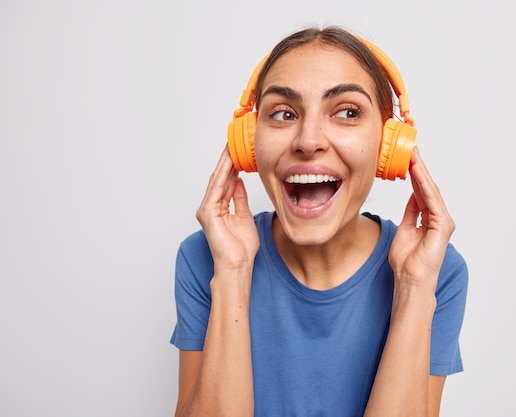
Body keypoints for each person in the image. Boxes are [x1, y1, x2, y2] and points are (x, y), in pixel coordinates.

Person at [170, 25, 468, 417]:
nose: (308, 140)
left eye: (347, 112)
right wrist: (232, 272)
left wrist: (414, 289)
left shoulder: (437, 271)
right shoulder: (204, 257)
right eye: (283, 113)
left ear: (389, 144)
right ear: (248, 143)